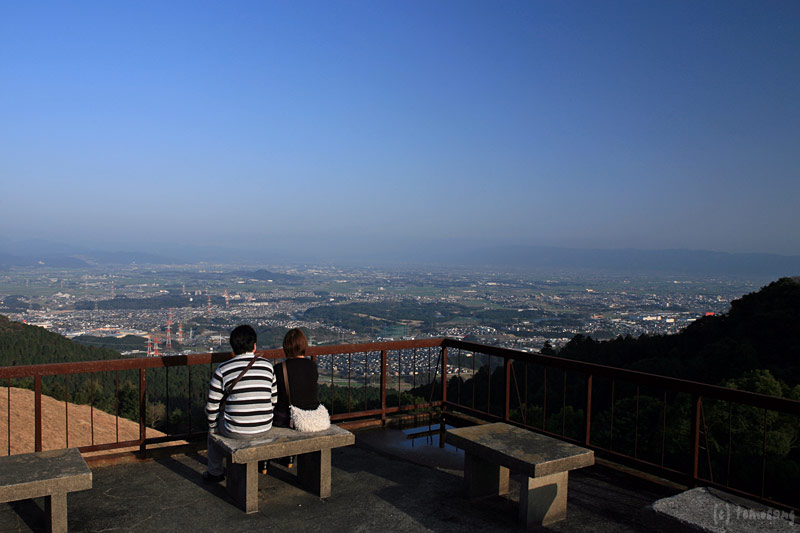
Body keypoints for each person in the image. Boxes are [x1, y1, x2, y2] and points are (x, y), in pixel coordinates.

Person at [203, 324, 277, 483]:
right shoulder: (267, 366)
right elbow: (274, 399)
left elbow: (211, 406)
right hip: (265, 426)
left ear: (233, 347)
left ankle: (214, 472)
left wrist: (213, 428)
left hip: (235, 429)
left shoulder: (223, 369)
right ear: (254, 346)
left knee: (213, 433)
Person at [273, 328, 320, 428]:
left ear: (286, 347)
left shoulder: (279, 368)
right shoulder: (312, 366)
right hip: (311, 416)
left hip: (285, 419)